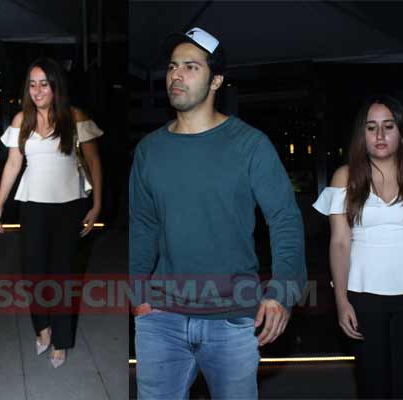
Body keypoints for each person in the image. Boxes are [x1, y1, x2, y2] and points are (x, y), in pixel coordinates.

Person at [129, 27, 306, 399]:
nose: (176, 75)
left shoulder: (250, 145)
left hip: (234, 319)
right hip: (161, 319)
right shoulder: (149, 150)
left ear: (216, 80)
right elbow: (143, 225)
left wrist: (283, 292)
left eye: (191, 67)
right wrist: (138, 295)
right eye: (173, 66)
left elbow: (285, 219)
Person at [313, 95, 403, 398]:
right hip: (364, 296)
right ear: (363, 134)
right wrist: (341, 300)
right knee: (372, 386)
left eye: (388, 126)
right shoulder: (345, 177)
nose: (380, 135)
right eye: (371, 128)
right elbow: (340, 243)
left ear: (401, 132)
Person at [0, 57, 103, 369]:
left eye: (44, 84)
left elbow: (94, 162)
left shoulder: (75, 117)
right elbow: (13, 164)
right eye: (32, 85)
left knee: (63, 274)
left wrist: (97, 204)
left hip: (69, 205)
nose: (37, 91)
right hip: (32, 205)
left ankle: (62, 340)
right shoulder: (21, 120)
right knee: (34, 271)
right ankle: (42, 327)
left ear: (56, 87)